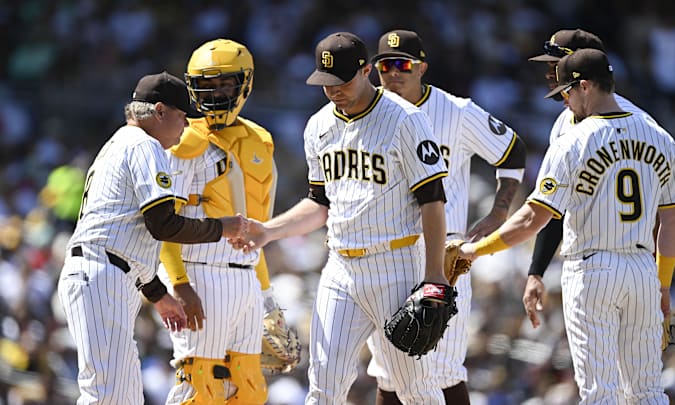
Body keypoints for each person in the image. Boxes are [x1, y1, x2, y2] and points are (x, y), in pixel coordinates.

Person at [457, 49, 675, 403]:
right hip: (643, 269)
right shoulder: (659, 136)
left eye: (565, 92)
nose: (563, 101)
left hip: (592, 269)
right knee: (647, 390)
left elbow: (534, 218)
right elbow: (672, 217)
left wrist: (475, 250)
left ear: (584, 86)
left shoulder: (573, 142)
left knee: (600, 392)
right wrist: (664, 283)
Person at [232, 31, 452, 404]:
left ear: (367, 70)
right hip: (340, 268)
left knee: (416, 389)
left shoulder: (405, 120)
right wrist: (269, 231)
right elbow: (319, 204)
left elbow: (432, 201)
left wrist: (434, 275)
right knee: (323, 386)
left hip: (395, 265)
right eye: (325, 83)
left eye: (342, 81)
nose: (334, 90)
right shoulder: (318, 126)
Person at [57, 71, 250, 404]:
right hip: (102, 274)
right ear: (160, 111)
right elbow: (164, 224)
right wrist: (223, 227)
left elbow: (128, 234)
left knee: (124, 398)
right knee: (105, 395)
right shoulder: (144, 145)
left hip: (106, 272)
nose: (186, 125)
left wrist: (158, 295)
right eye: (181, 116)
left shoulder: (121, 143)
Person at [365, 29, 527, 405]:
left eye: (403, 64)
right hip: (385, 250)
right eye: (385, 65)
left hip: (444, 253)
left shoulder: (456, 111)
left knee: (444, 369)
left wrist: (500, 210)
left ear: (422, 67)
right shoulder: (367, 113)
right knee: (389, 372)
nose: (393, 73)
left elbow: (512, 150)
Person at [157, 38, 285, 404]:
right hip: (201, 271)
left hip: (246, 274)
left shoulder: (260, 139)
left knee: (245, 388)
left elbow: (260, 225)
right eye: (205, 85)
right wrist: (179, 284)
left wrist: (266, 295)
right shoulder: (183, 141)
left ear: (245, 83)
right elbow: (164, 223)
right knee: (198, 383)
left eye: (224, 84)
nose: (214, 94)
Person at [524, 29, 668, 328]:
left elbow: (665, 210)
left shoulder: (639, 124)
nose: (550, 73)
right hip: (595, 265)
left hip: (633, 261)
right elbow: (555, 208)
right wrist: (536, 270)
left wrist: (660, 281)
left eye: (556, 65)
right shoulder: (565, 121)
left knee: (620, 374)